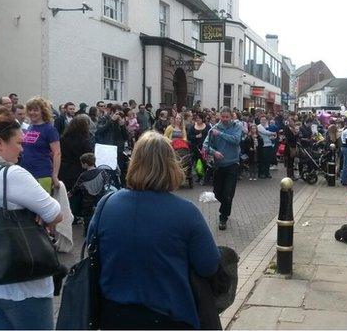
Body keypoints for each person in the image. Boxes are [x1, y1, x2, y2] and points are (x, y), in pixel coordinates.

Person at [87, 131, 220, 329]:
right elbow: (209, 265)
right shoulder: (186, 212)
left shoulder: (106, 205)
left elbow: (92, 251)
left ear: (134, 162)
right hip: (170, 315)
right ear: (171, 165)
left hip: (114, 314)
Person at [0, 116, 63, 329]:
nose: (22, 149)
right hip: (21, 282)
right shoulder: (10, 175)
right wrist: (39, 213)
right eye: (18, 143)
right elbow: (55, 214)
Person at [203, 107, 243, 230]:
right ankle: (226, 207)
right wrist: (214, 152)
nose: (225, 119)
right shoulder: (213, 129)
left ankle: (223, 217)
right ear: (220, 116)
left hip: (232, 164)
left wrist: (220, 134)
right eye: (223, 117)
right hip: (219, 166)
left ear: (231, 117)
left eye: (227, 117)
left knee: (228, 194)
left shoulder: (237, 126)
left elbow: (236, 140)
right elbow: (205, 145)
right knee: (217, 193)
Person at [21, 97, 61, 192]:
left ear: (43, 111)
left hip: (42, 174)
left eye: (35, 110)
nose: (32, 112)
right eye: (30, 110)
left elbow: (57, 153)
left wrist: (55, 176)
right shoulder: (30, 127)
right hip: (26, 173)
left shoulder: (49, 129)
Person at [59, 116, 94, 195]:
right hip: (78, 171)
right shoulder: (85, 141)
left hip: (63, 169)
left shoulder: (62, 139)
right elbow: (88, 157)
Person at [188, 113, 211, 185]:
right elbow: (189, 136)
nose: (198, 120)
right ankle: (200, 176)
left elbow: (210, 136)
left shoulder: (207, 126)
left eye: (199, 118)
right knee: (198, 162)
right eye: (197, 118)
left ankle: (205, 177)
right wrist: (196, 136)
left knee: (205, 162)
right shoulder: (192, 127)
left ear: (202, 119)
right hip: (195, 147)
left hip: (204, 148)